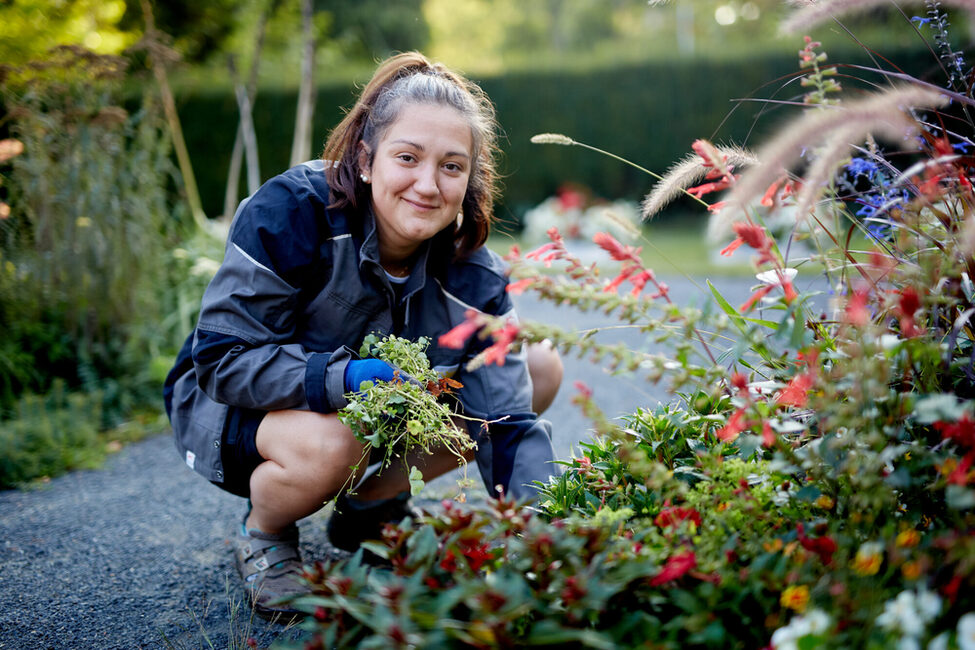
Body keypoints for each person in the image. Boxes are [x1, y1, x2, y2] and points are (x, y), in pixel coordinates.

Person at [163, 51, 563, 619]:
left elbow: (507, 423)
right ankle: (266, 532)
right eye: (408, 157)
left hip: (361, 418)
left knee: (539, 367)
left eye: (452, 167)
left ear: (469, 178)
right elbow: (223, 358)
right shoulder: (293, 212)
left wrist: (541, 539)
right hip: (231, 408)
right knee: (336, 440)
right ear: (366, 159)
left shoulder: (475, 275)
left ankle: (371, 506)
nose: (428, 185)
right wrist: (344, 376)